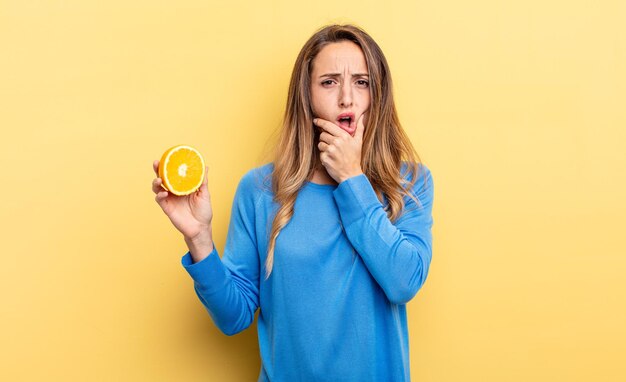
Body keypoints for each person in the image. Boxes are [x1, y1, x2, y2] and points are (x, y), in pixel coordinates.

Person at [152, 24, 434, 382]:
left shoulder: (408, 183)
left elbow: (404, 281)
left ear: (378, 95)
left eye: (362, 82)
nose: (346, 97)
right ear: (307, 96)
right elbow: (233, 317)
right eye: (329, 82)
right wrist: (199, 239)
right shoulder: (260, 190)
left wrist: (353, 180)